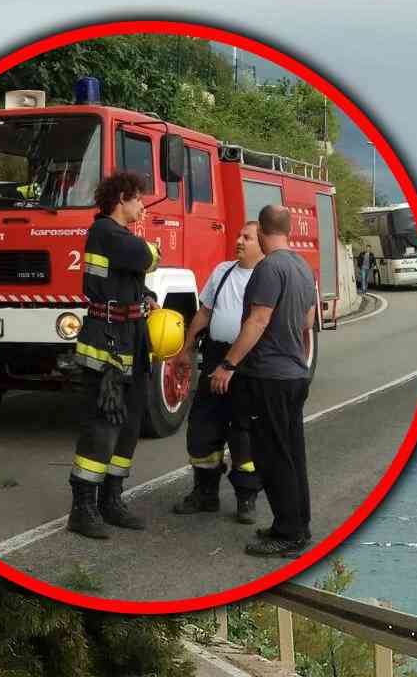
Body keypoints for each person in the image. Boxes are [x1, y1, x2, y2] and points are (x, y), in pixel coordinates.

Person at [208, 204, 316, 557]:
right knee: (292, 454)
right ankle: (298, 525)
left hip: (269, 377)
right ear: (287, 228)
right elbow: (308, 319)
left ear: (264, 230)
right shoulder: (301, 266)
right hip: (295, 373)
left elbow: (257, 321)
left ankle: (287, 533)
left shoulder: (270, 268)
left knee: (273, 457)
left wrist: (228, 364)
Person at [66, 171, 159, 540]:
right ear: (122, 198)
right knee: (102, 425)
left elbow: (130, 274)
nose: (142, 206)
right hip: (107, 342)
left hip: (130, 337)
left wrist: (145, 294)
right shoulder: (106, 231)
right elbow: (145, 256)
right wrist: (154, 254)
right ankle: (82, 508)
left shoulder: (116, 237)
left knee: (130, 422)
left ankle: (111, 499)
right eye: (138, 200)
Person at [169, 221, 264, 524]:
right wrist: (186, 348)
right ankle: (205, 493)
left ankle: (246, 498)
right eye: (239, 235)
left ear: (262, 243)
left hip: (248, 363)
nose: (239, 241)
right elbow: (204, 312)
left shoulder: (267, 276)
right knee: (203, 426)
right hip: (214, 356)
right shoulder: (223, 271)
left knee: (244, 432)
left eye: (246, 237)